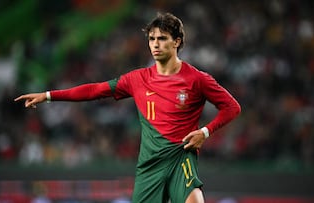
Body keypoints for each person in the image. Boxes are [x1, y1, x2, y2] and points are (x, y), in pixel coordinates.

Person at [15, 12, 241, 203]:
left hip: (180, 158)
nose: (155, 44)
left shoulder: (197, 79)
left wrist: (205, 132)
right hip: (149, 166)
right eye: (151, 38)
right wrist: (47, 95)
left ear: (177, 42)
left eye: (162, 38)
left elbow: (232, 107)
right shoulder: (137, 79)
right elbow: (95, 90)